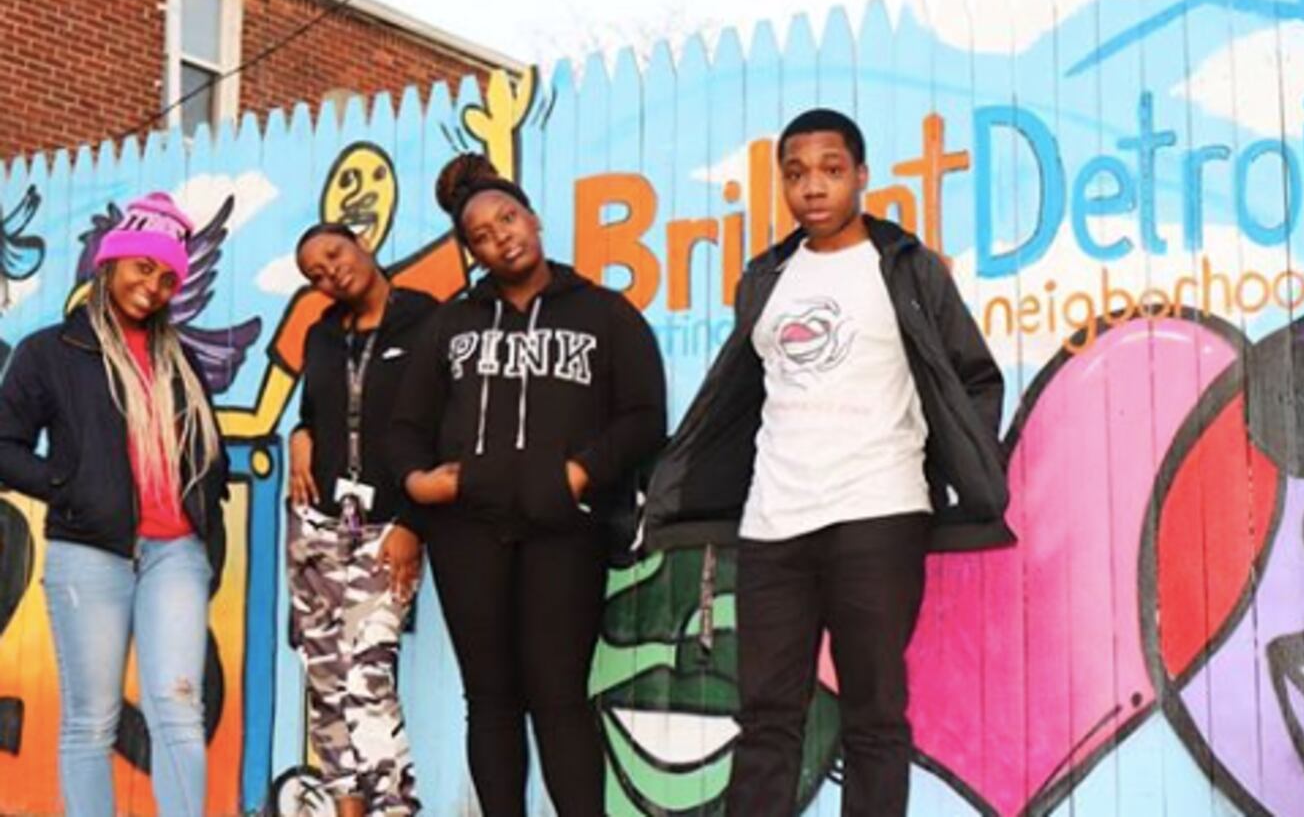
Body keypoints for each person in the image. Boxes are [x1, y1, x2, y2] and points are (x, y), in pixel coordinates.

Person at [642, 109, 1015, 815]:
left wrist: (963, 462)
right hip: (774, 522)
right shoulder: (766, 278)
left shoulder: (905, 267)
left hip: (879, 511)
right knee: (767, 718)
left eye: (831, 169)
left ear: (862, 177)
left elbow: (974, 376)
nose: (813, 186)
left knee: (874, 713)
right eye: (796, 172)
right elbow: (742, 396)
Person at [390, 154, 667, 815]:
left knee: (558, 695)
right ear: (473, 252)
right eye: (481, 234)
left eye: (507, 218)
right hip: (467, 529)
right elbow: (405, 425)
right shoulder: (450, 324)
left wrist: (576, 474)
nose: (500, 236)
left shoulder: (603, 313)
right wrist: (419, 487)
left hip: (561, 525)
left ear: (533, 219)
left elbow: (643, 417)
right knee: (489, 699)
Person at [0, 192, 227, 817]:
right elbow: (5, 444)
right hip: (87, 554)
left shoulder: (179, 359)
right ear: (111, 264)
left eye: (166, 277)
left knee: (178, 708)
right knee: (90, 721)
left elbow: (210, 455)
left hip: (174, 553)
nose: (152, 287)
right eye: (142, 268)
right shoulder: (50, 352)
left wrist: (206, 531)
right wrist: (64, 484)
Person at [286, 223, 437, 815]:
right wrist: (300, 435)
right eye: (315, 274)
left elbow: (439, 430)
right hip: (316, 529)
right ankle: (348, 808)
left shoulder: (425, 321)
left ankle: (394, 808)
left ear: (363, 244)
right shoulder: (322, 336)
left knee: (368, 676)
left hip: (387, 527)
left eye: (334, 254)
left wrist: (413, 522)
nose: (330, 273)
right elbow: (314, 413)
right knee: (325, 681)